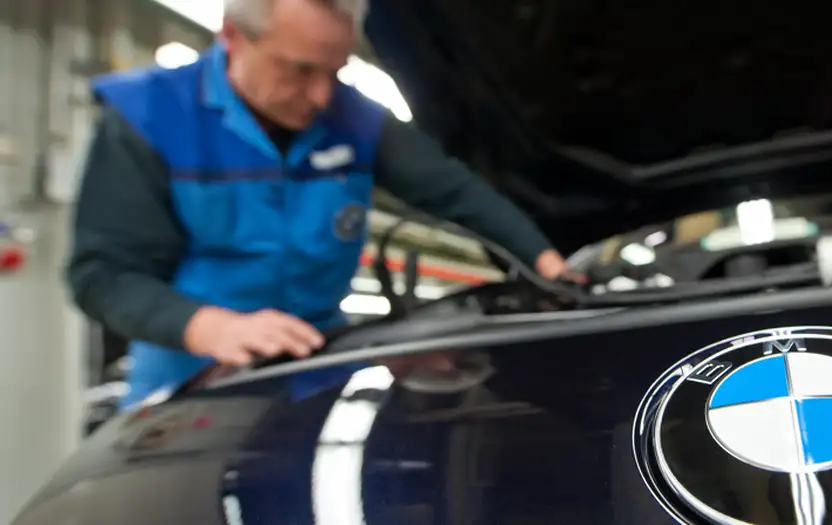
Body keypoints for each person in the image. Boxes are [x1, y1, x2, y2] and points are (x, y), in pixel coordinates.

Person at [66, 0, 569, 409]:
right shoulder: (149, 118)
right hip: (188, 381)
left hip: (317, 369)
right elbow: (103, 274)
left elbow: (456, 192)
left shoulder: (357, 121)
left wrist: (549, 264)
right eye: (301, 70)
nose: (322, 96)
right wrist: (208, 327)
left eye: (336, 71)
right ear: (233, 36)